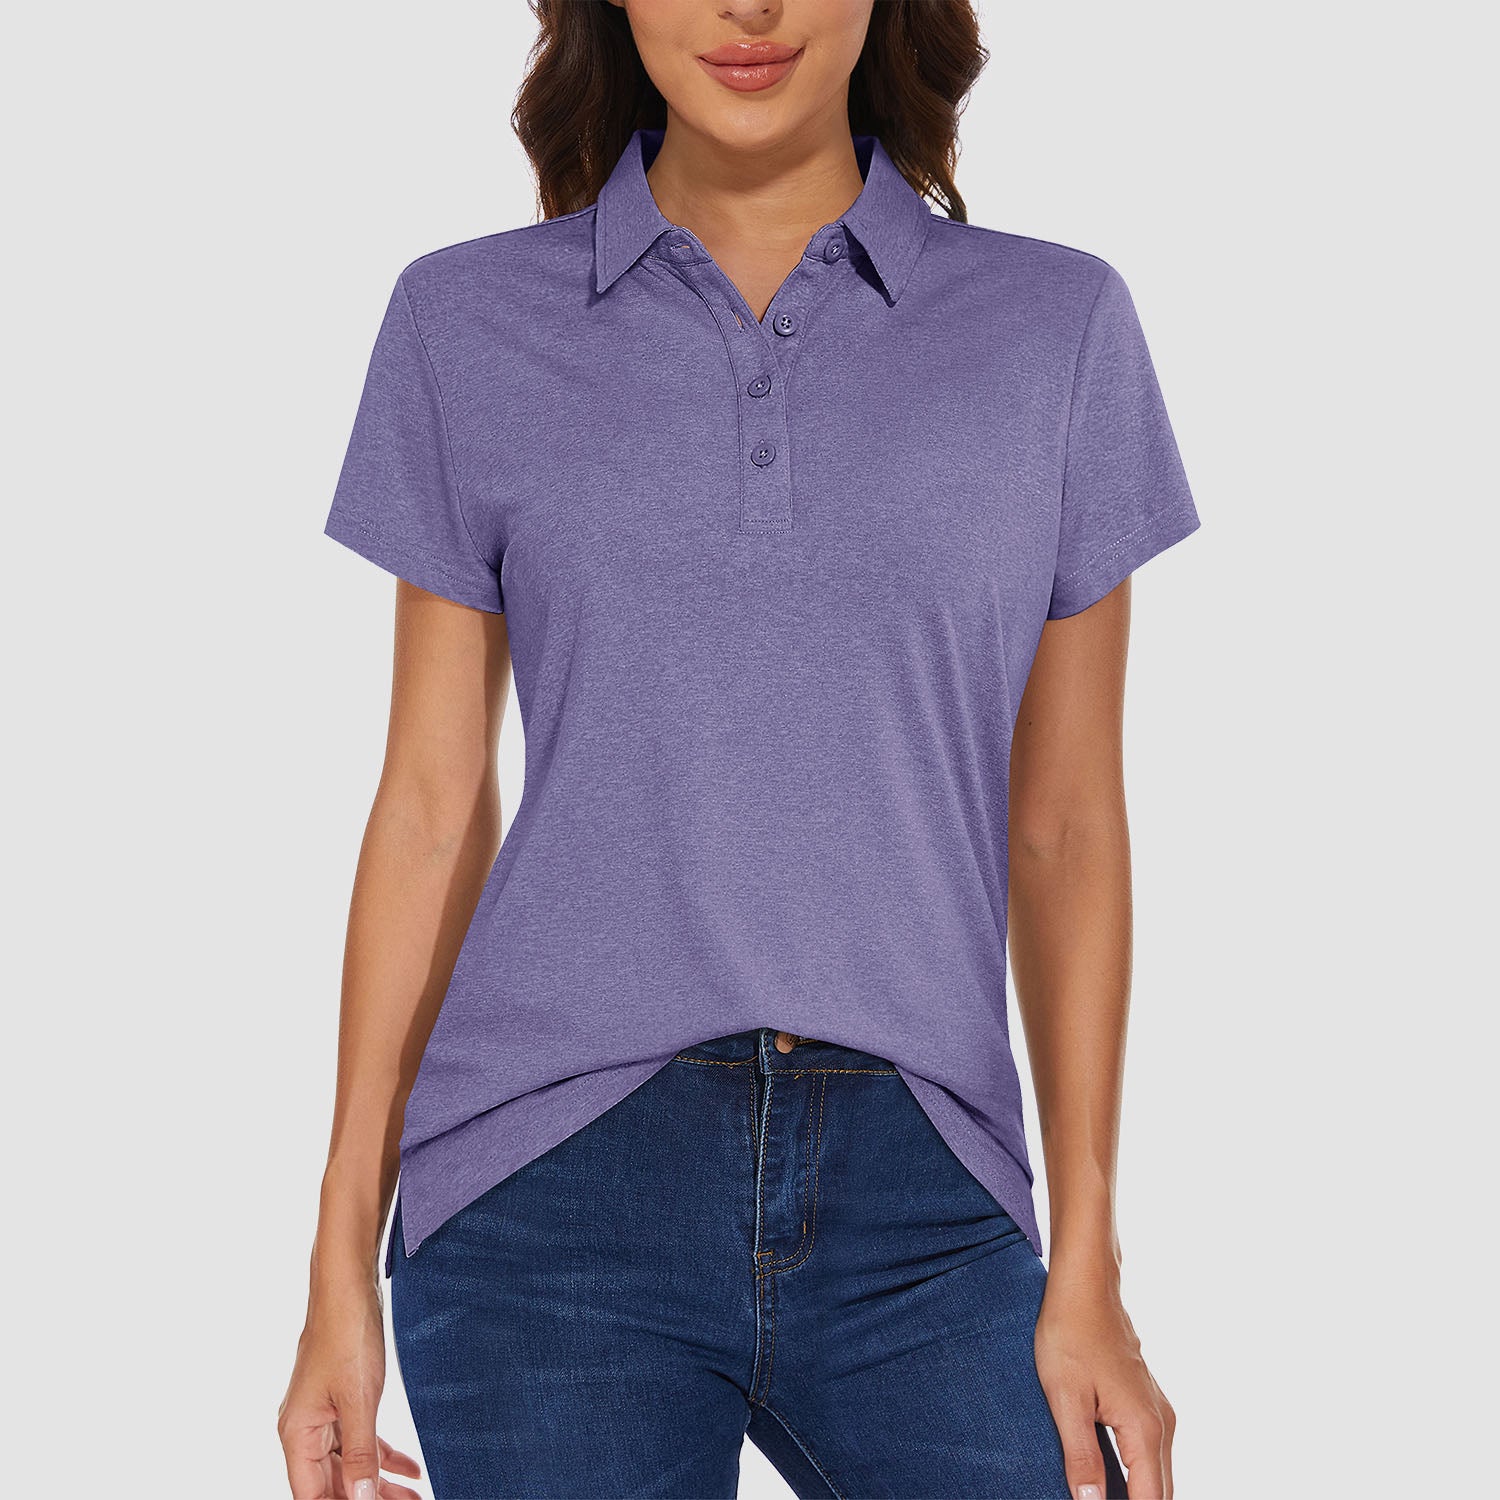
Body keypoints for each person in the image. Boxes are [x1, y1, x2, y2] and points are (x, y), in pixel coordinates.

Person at [278, 2, 1199, 1496]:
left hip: (926, 1183)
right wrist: (336, 1262)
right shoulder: (464, 323)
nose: (748, 8)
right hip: (547, 1188)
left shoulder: (1057, 326)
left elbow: (1069, 825)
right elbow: (433, 807)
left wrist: (1087, 1260)